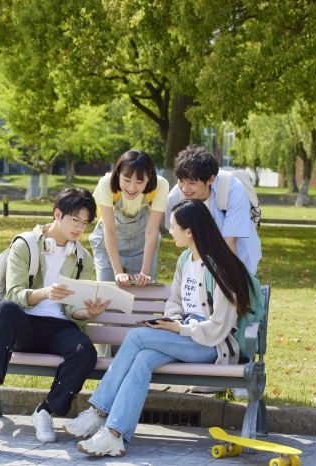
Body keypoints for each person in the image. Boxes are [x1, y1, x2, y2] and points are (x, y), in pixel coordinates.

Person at [64, 199, 256, 458]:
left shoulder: (220, 268)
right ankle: (114, 435)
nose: (170, 231)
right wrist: (174, 323)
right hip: (182, 335)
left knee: (135, 337)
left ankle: (98, 412)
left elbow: (219, 327)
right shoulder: (186, 259)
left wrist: (180, 330)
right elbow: (174, 302)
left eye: (174, 226)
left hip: (211, 345)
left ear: (190, 231)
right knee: (143, 359)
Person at [0, 187, 111, 443]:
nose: (79, 228)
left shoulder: (82, 258)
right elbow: (14, 293)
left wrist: (88, 312)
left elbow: (73, 309)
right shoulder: (26, 244)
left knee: (86, 351)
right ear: (57, 214)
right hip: (25, 324)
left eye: (84, 223)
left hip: (59, 328)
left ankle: (45, 411)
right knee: (5, 308)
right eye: (75, 220)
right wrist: (45, 293)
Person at [165, 144, 261, 276]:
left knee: (240, 289)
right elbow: (181, 236)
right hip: (202, 262)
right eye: (181, 181)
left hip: (239, 256)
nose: (185, 188)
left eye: (192, 183)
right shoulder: (176, 197)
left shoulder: (232, 189)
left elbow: (230, 241)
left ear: (210, 179)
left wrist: (233, 282)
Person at [89, 149, 169, 287]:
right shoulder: (106, 183)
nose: (132, 188)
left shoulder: (160, 185)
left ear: (149, 178)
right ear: (118, 173)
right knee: (107, 295)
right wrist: (118, 272)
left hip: (142, 247)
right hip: (108, 245)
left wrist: (145, 273)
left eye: (139, 181)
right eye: (126, 180)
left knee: (140, 300)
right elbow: (109, 231)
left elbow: (152, 231)